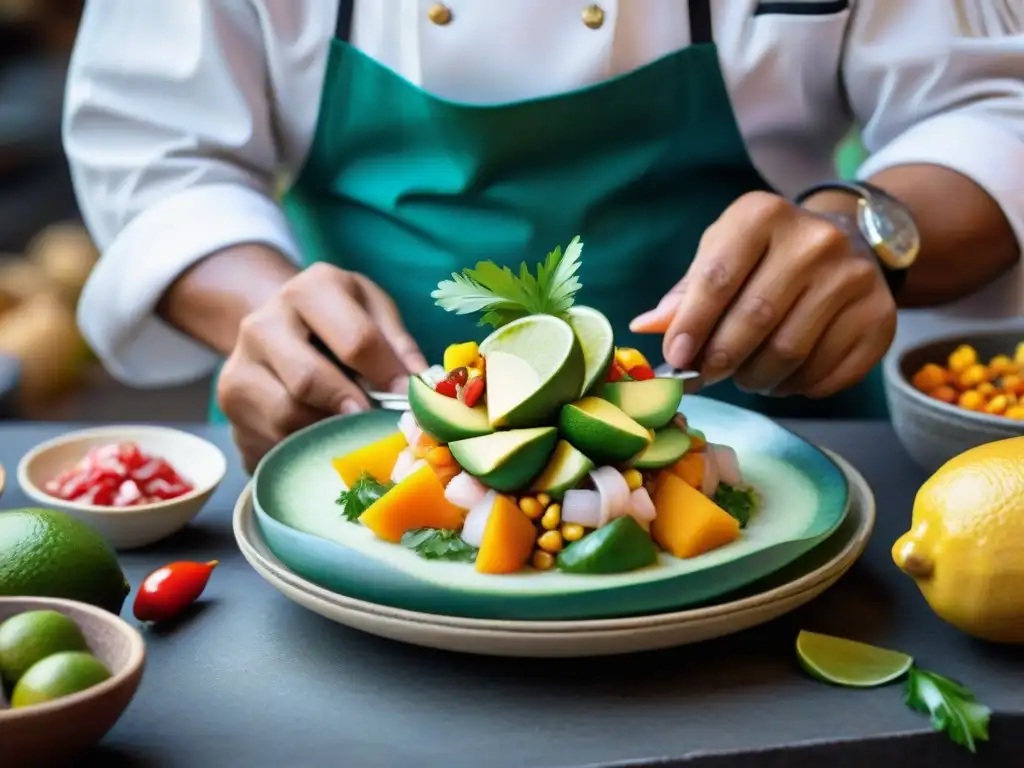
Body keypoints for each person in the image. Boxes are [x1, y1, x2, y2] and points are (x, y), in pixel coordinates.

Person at [64, 1, 1023, 471]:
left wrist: (865, 236)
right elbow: (156, 146)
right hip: (367, 445)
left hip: (780, 446)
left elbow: (991, 106)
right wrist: (268, 316)